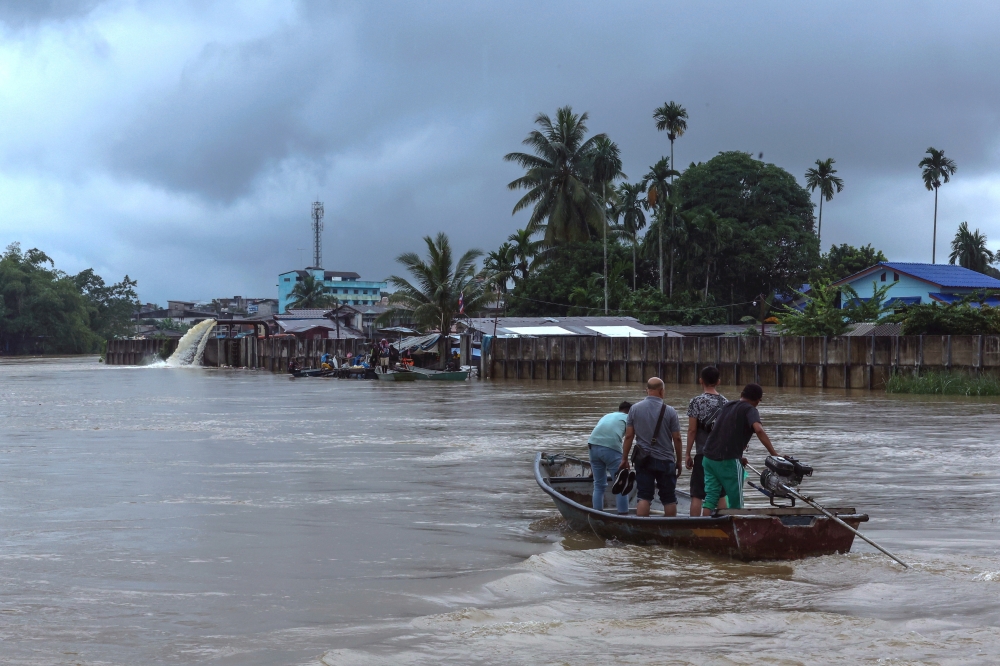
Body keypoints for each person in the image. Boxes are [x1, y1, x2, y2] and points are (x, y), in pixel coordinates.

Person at [701, 383, 781, 515]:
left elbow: (725, 432)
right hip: (727, 460)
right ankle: (736, 528)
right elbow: (759, 430)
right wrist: (774, 454)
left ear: (741, 395)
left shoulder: (728, 406)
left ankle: (704, 526)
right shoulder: (750, 409)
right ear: (757, 401)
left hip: (708, 457)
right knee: (736, 500)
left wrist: (739, 456)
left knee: (711, 497)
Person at [620, 377, 683, 517]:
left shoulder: (634, 409)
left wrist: (624, 458)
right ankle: (670, 531)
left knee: (644, 496)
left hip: (643, 460)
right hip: (666, 460)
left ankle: (642, 530)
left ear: (647, 390)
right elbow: (677, 438)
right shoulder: (670, 411)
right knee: (669, 498)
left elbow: (629, 436)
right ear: (662, 391)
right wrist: (679, 461)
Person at [685, 366, 728, 516]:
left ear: (700, 381)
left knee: (697, 493)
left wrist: (687, 454)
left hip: (703, 454)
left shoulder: (696, 402)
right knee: (721, 493)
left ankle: (695, 526)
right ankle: (724, 523)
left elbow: (692, 430)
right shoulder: (726, 403)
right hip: (722, 456)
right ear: (718, 382)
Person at [587, 401, 633, 514]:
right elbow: (629, 437)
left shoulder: (607, 416)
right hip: (610, 448)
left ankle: (597, 514)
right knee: (621, 484)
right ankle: (623, 515)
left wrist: (593, 468)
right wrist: (625, 459)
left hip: (592, 446)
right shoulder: (629, 418)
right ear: (631, 411)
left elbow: (599, 435)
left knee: (598, 485)